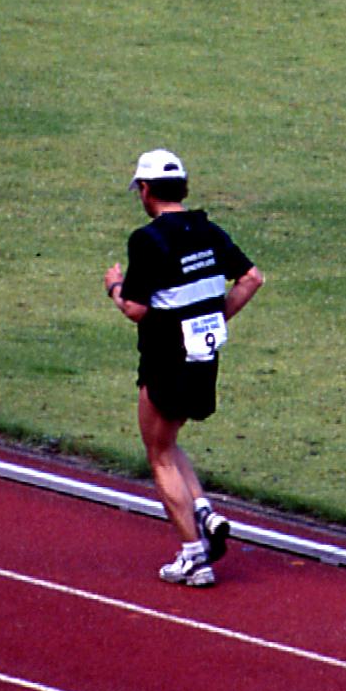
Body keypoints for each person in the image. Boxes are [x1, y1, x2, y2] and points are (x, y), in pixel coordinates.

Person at [104, 148, 264, 587]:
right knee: (170, 444)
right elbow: (252, 278)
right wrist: (213, 317)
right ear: (186, 188)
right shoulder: (208, 230)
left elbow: (135, 309)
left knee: (158, 455)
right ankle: (204, 514)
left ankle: (194, 555)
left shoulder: (147, 240)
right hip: (204, 356)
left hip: (164, 356)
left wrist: (114, 287)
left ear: (146, 190)